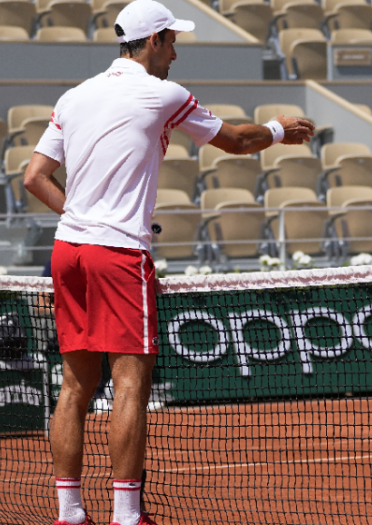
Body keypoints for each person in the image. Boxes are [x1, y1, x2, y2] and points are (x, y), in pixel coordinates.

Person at [22, 1, 315, 524]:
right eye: (172, 41)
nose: (176, 53)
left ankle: (70, 513)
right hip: (117, 255)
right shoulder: (163, 94)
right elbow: (235, 141)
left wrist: (84, 218)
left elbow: (34, 177)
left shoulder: (74, 96)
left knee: (74, 386)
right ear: (153, 39)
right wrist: (278, 130)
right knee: (131, 385)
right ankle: (128, 516)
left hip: (68, 251)